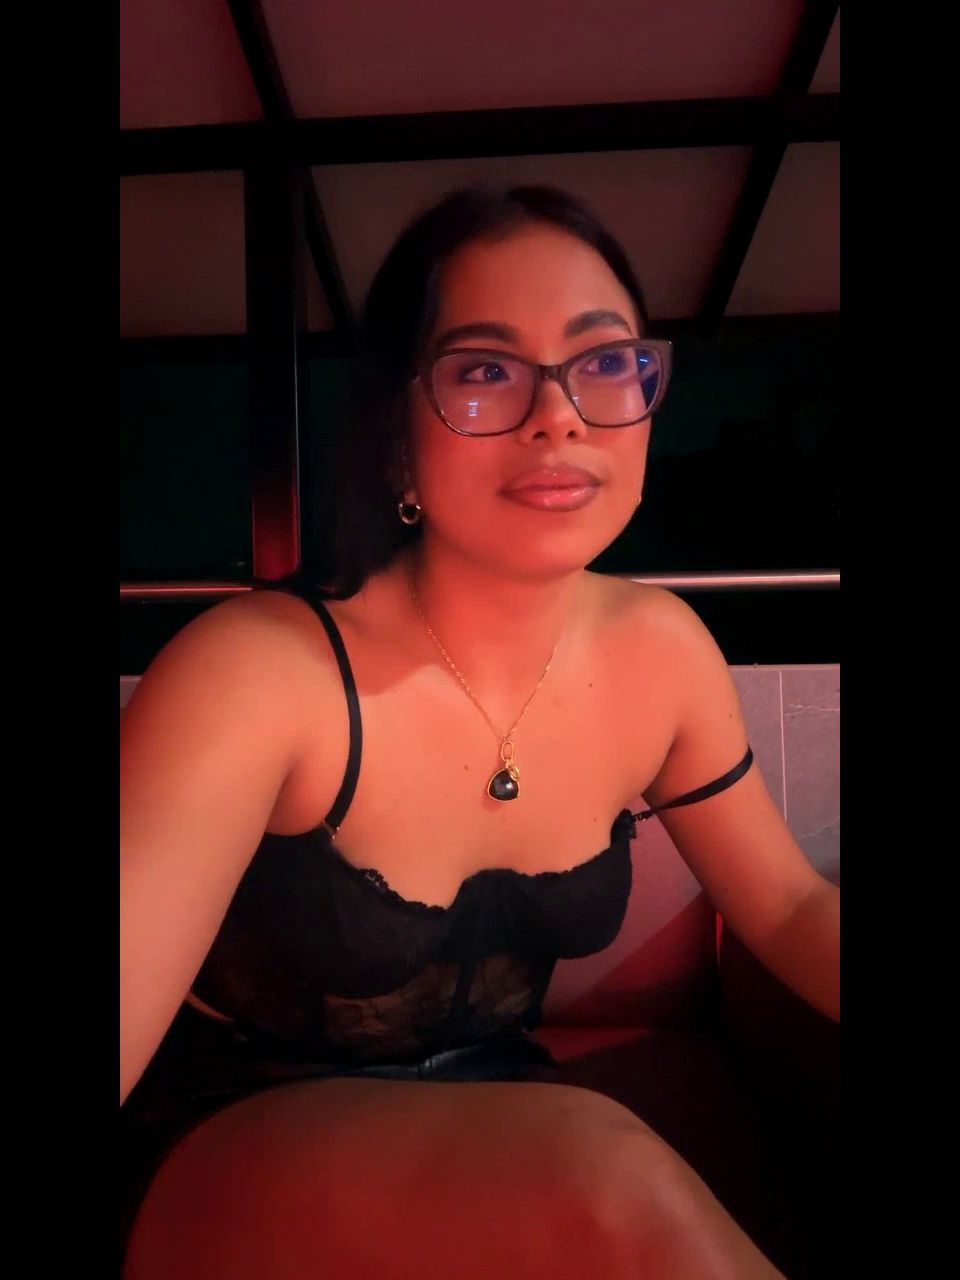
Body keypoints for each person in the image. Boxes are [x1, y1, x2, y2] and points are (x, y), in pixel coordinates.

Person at [120, 185, 840, 1279]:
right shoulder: (258, 672)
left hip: (493, 1111)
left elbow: (787, 905)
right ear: (397, 439)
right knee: (609, 1182)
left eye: (604, 362)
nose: (560, 415)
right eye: (485, 370)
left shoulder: (661, 649)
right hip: (227, 1134)